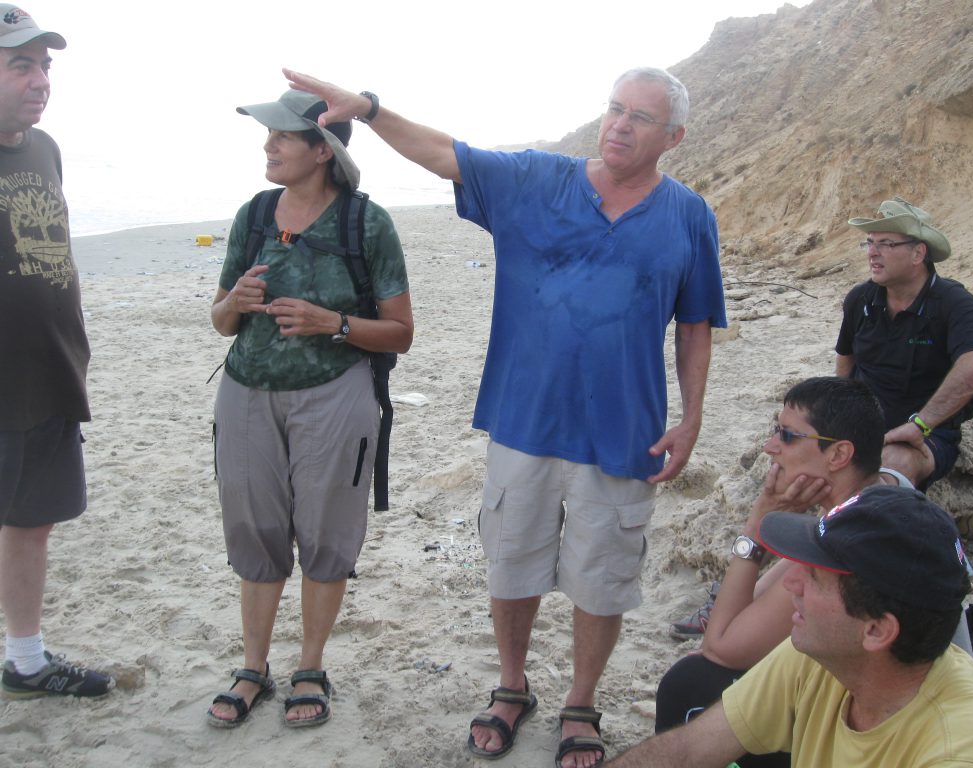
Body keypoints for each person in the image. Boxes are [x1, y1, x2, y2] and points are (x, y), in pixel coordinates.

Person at [284, 67, 727, 766]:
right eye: (614, 108)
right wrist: (368, 110)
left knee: (602, 576)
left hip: (624, 431)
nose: (620, 124)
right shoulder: (535, 181)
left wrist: (692, 416)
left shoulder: (688, 215)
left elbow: (696, 321)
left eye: (640, 118)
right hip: (523, 419)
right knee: (513, 564)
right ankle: (512, 686)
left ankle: (581, 700)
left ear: (673, 136)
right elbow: (444, 155)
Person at [206, 89, 412, 728]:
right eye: (268, 136)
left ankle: (311, 666)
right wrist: (236, 300)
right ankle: (254, 667)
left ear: (322, 150)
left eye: (282, 136)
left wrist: (333, 323)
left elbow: (401, 332)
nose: (268, 145)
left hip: (334, 395)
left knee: (325, 533)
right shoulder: (254, 213)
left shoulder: (365, 223)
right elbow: (219, 322)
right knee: (254, 531)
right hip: (245, 393)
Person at [606, 485, 973, 767]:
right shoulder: (825, 657)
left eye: (815, 577)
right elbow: (689, 748)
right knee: (689, 683)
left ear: (876, 631)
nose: (790, 583)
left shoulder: (966, 750)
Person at [658, 376, 893, 767]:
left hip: (878, 737)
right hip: (877, 706)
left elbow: (720, 647)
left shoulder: (851, 535)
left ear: (838, 455)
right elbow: (749, 609)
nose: (770, 446)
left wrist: (755, 529)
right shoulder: (876, 497)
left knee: (690, 684)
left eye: (787, 436)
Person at [0, 5, 114, 700]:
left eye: (45, 66)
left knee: (30, 523)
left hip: (47, 378)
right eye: (21, 64)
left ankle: (27, 660)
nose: (40, 79)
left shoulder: (45, 151)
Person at [835, 197, 973, 491]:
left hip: (926, 434)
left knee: (882, 478)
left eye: (886, 243)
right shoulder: (861, 299)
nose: (872, 252)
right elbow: (846, 359)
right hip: (862, 424)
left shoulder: (953, 303)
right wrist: (839, 414)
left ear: (918, 252)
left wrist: (921, 424)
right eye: (869, 243)